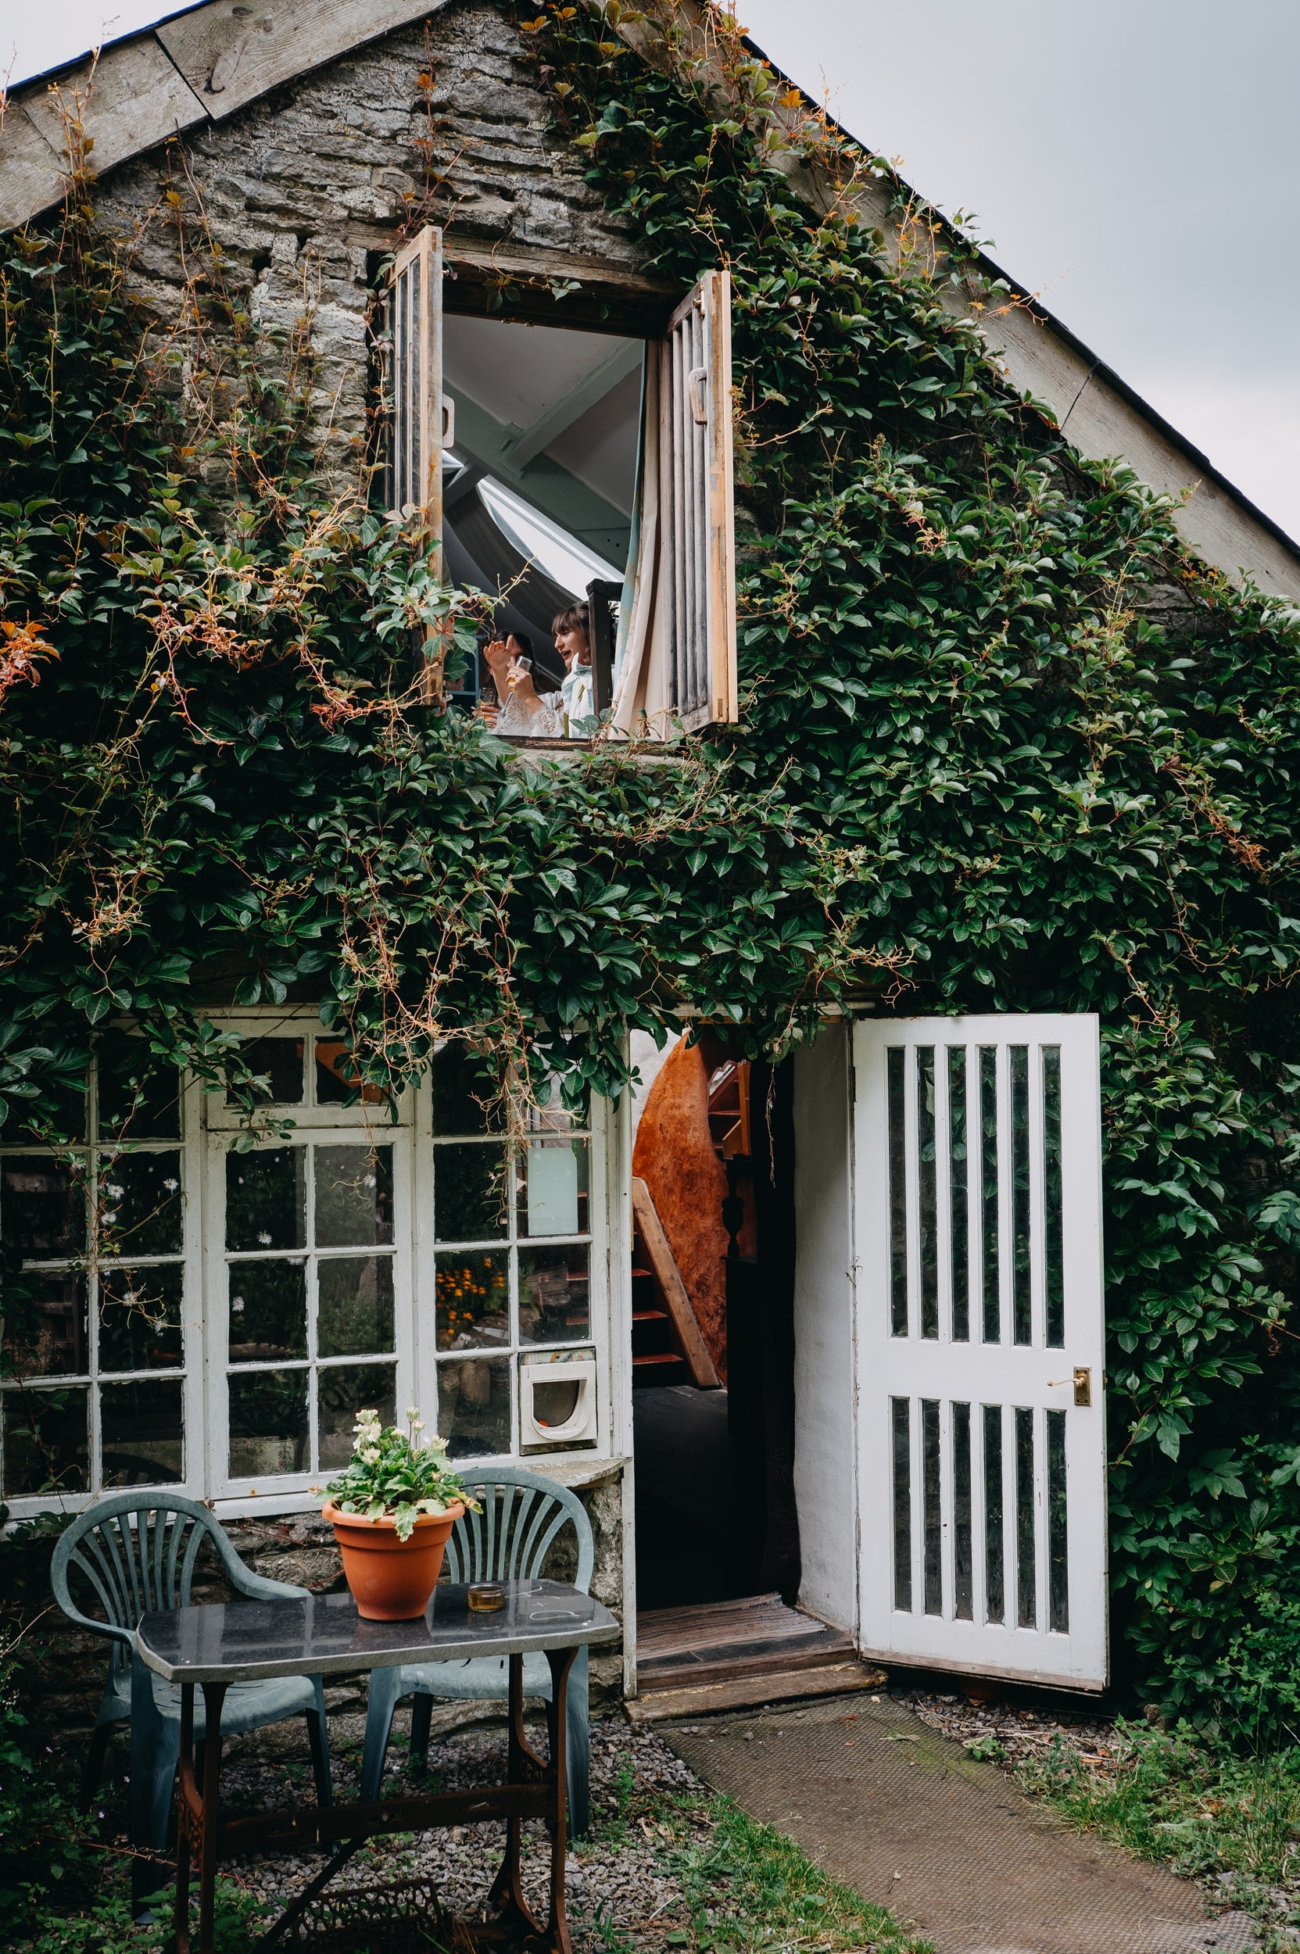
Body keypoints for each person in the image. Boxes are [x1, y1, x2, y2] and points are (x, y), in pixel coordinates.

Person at [477, 630, 564, 739]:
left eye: (520, 658)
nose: (514, 665)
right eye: (507, 659)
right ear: (491, 670)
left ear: (530, 665)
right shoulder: (487, 716)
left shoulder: (551, 702)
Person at [552, 606, 594, 730]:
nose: (557, 644)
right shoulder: (572, 684)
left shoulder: (612, 676)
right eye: (556, 637)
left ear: (589, 633)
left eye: (565, 633)